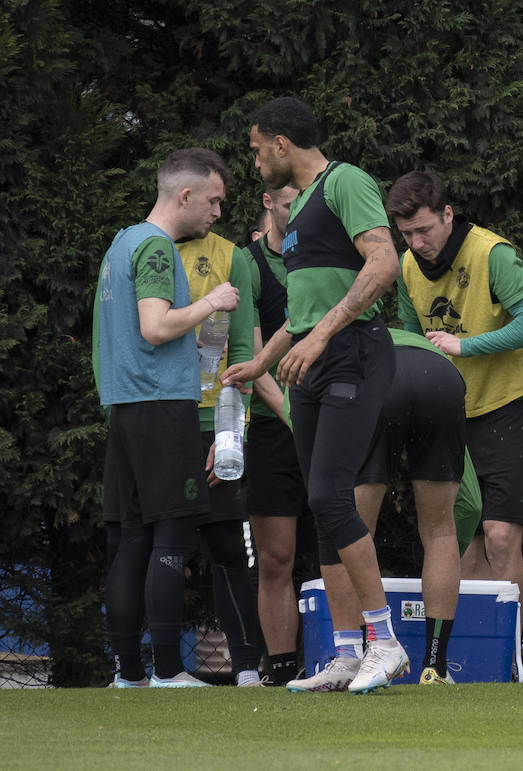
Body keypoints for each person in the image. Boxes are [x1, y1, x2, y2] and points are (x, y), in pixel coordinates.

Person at [224, 96, 407, 694]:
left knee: (331, 493)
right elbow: (302, 313)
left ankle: (386, 641)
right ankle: (349, 651)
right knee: (322, 507)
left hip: (354, 351)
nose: (254, 164)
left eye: (256, 151)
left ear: (280, 143)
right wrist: (261, 363)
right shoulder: (297, 209)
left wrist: (322, 336)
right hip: (312, 363)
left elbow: (384, 264)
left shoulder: (344, 180)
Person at [95, 147, 240, 687]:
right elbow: (155, 328)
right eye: (214, 201)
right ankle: (168, 671)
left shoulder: (121, 243)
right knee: (171, 537)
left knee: (131, 539)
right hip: (160, 402)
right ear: (186, 195)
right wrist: (213, 301)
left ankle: (129, 675)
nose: (217, 214)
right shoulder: (156, 248)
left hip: (126, 405)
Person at [385, 170, 523, 627]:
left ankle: (512, 652)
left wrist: (467, 345)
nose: (416, 242)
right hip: (450, 412)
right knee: (465, 537)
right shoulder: (405, 267)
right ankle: (484, 654)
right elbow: (413, 340)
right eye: (406, 234)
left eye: (424, 230)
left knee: (500, 536)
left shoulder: (490, 253)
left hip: (510, 404)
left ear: (447, 214)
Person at [309, 328, 470, 688]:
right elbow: (471, 501)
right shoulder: (411, 342)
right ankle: (436, 667)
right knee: (441, 529)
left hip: (379, 380)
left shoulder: (319, 353)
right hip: (442, 376)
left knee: (349, 526)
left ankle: (356, 656)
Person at [176, 218, 263, 686]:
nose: (217, 209)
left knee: (229, 548)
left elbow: (242, 351)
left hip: (216, 425)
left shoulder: (232, 257)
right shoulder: (136, 249)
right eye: (212, 199)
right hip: (159, 424)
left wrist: (229, 436)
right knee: (157, 546)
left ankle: (247, 668)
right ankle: (147, 670)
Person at [242, 181, 317, 686]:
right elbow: (251, 358)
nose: (300, 212)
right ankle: (282, 668)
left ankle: (340, 659)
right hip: (274, 429)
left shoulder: (325, 254)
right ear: (268, 202)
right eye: (291, 203)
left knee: (337, 547)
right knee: (276, 558)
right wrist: (293, 413)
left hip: (332, 420)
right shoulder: (246, 263)